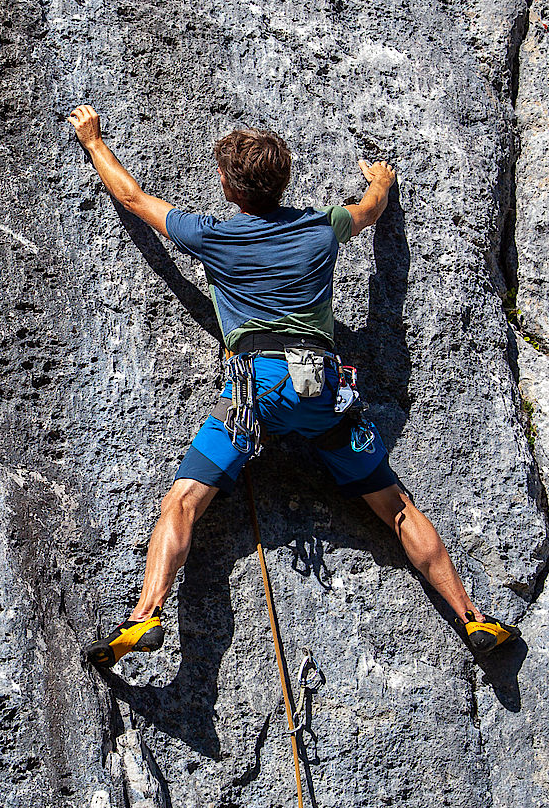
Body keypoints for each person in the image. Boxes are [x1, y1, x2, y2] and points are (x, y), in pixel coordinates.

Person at [65, 104, 518, 666]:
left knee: (182, 503)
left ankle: (144, 618)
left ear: (230, 189)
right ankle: (473, 618)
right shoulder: (321, 228)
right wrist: (378, 181)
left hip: (257, 392)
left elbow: (134, 200)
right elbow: (371, 212)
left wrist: (93, 142)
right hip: (324, 393)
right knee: (397, 508)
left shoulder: (214, 237)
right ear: (283, 180)